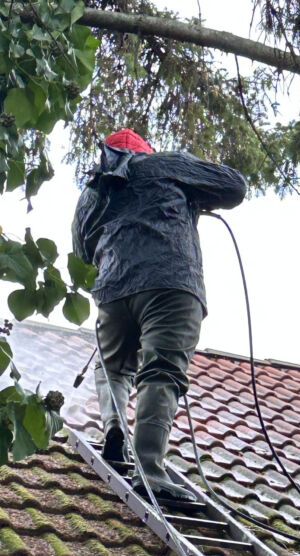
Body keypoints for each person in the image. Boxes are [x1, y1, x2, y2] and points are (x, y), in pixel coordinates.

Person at [72, 128, 246, 500]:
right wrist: (195, 192)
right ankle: (151, 471)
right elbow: (235, 186)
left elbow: (82, 251)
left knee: (113, 366)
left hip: (114, 290)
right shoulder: (167, 165)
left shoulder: (92, 192)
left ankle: (114, 427)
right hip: (171, 283)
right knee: (161, 371)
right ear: (144, 152)